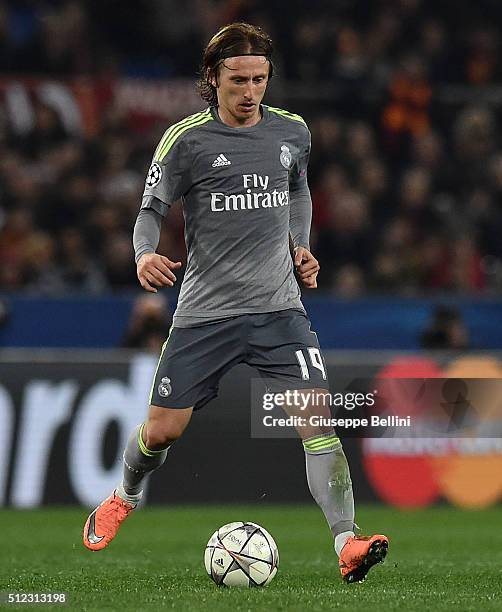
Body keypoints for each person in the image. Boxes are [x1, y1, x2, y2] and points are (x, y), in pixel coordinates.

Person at [82, 22, 388, 583]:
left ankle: (347, 542)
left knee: (319, 424)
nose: (251, 91)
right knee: (161, 433)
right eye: (238, 80)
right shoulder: (185, 141)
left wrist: (301, 246)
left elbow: (298, 188)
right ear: (212, 79)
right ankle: (124, 495)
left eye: (260, 79)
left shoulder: (293, 131)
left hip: (280, 310)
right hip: (204, 314)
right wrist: (143, 253)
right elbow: (150, 209)